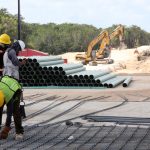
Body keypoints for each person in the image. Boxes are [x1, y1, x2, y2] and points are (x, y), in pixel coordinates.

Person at [0, 75, 24, 140]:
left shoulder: (8, 97)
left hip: (15, 89)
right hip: (5, 85)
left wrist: (6, 129)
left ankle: (19, 132)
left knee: (15, 111)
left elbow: (9, 115)